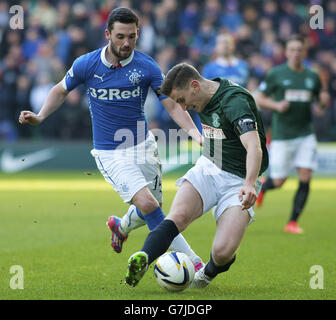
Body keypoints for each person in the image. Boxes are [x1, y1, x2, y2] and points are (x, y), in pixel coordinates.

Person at [18, 8, 203, 270]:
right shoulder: (87, 64)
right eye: (120, 36)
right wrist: (40, 115)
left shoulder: (147, 66)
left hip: (144, 146)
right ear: (108, 34)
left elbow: (172, 105)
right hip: (110, 153)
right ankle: (193, 264)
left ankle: (121, 225)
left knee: (153, 206)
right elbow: (60, 90)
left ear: (138, 34)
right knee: (150, 205)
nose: (126, 43)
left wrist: (194, 132)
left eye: (132, 36)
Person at [124, 62, 269, 288]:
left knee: (222, 252)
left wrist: (250, 183)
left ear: (194, 86)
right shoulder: (203, 98)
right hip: (208, 167)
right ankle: (143, 259)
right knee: (178, 216)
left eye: (181, 100)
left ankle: (205, 276)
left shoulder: (235, 102)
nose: (183, 108)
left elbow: (254, 146)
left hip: (239, 181)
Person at [255, 34, 330, 234]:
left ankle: (292, 222)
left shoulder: (312, 76)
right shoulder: (276, 74)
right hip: (282, 135)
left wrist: (323, 101)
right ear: (287, 52)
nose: (296, 53)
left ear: (305, 52)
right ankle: (262, 186)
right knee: (279, 181)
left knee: (305, 175)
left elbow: (320, 104)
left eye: (300, 49)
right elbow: (258, 97)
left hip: (306, 133)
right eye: (293, 49)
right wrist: (276, 105)